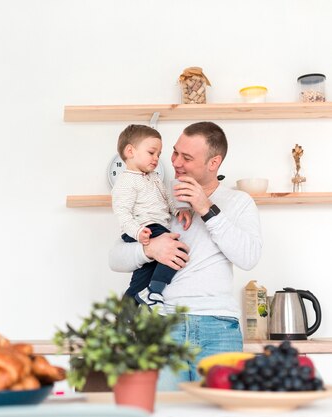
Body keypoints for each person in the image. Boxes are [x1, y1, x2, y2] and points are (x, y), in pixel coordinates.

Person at [108, 122, 262, 390]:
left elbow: (248, 258)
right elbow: (115, 258)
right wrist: (149, 249)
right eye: (175, 152)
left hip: (219, 329)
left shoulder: (239, 202)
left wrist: (206, 208)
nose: (175, 162)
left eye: (187, 158)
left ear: (214, 162)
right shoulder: (157, 192)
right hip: (162, 327)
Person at [111, 124, 191, 308]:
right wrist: (138, 232)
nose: (156, 159)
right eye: (151, 152)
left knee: (143, 274)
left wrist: (178, 210)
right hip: (145, 227)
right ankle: (154, 291)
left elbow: (166, 199)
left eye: (158, 154)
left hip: (158, 227)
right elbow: (122, 214)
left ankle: (125, 314)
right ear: (130, 151)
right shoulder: (125, 181)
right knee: (176, 250)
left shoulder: (154, 177)